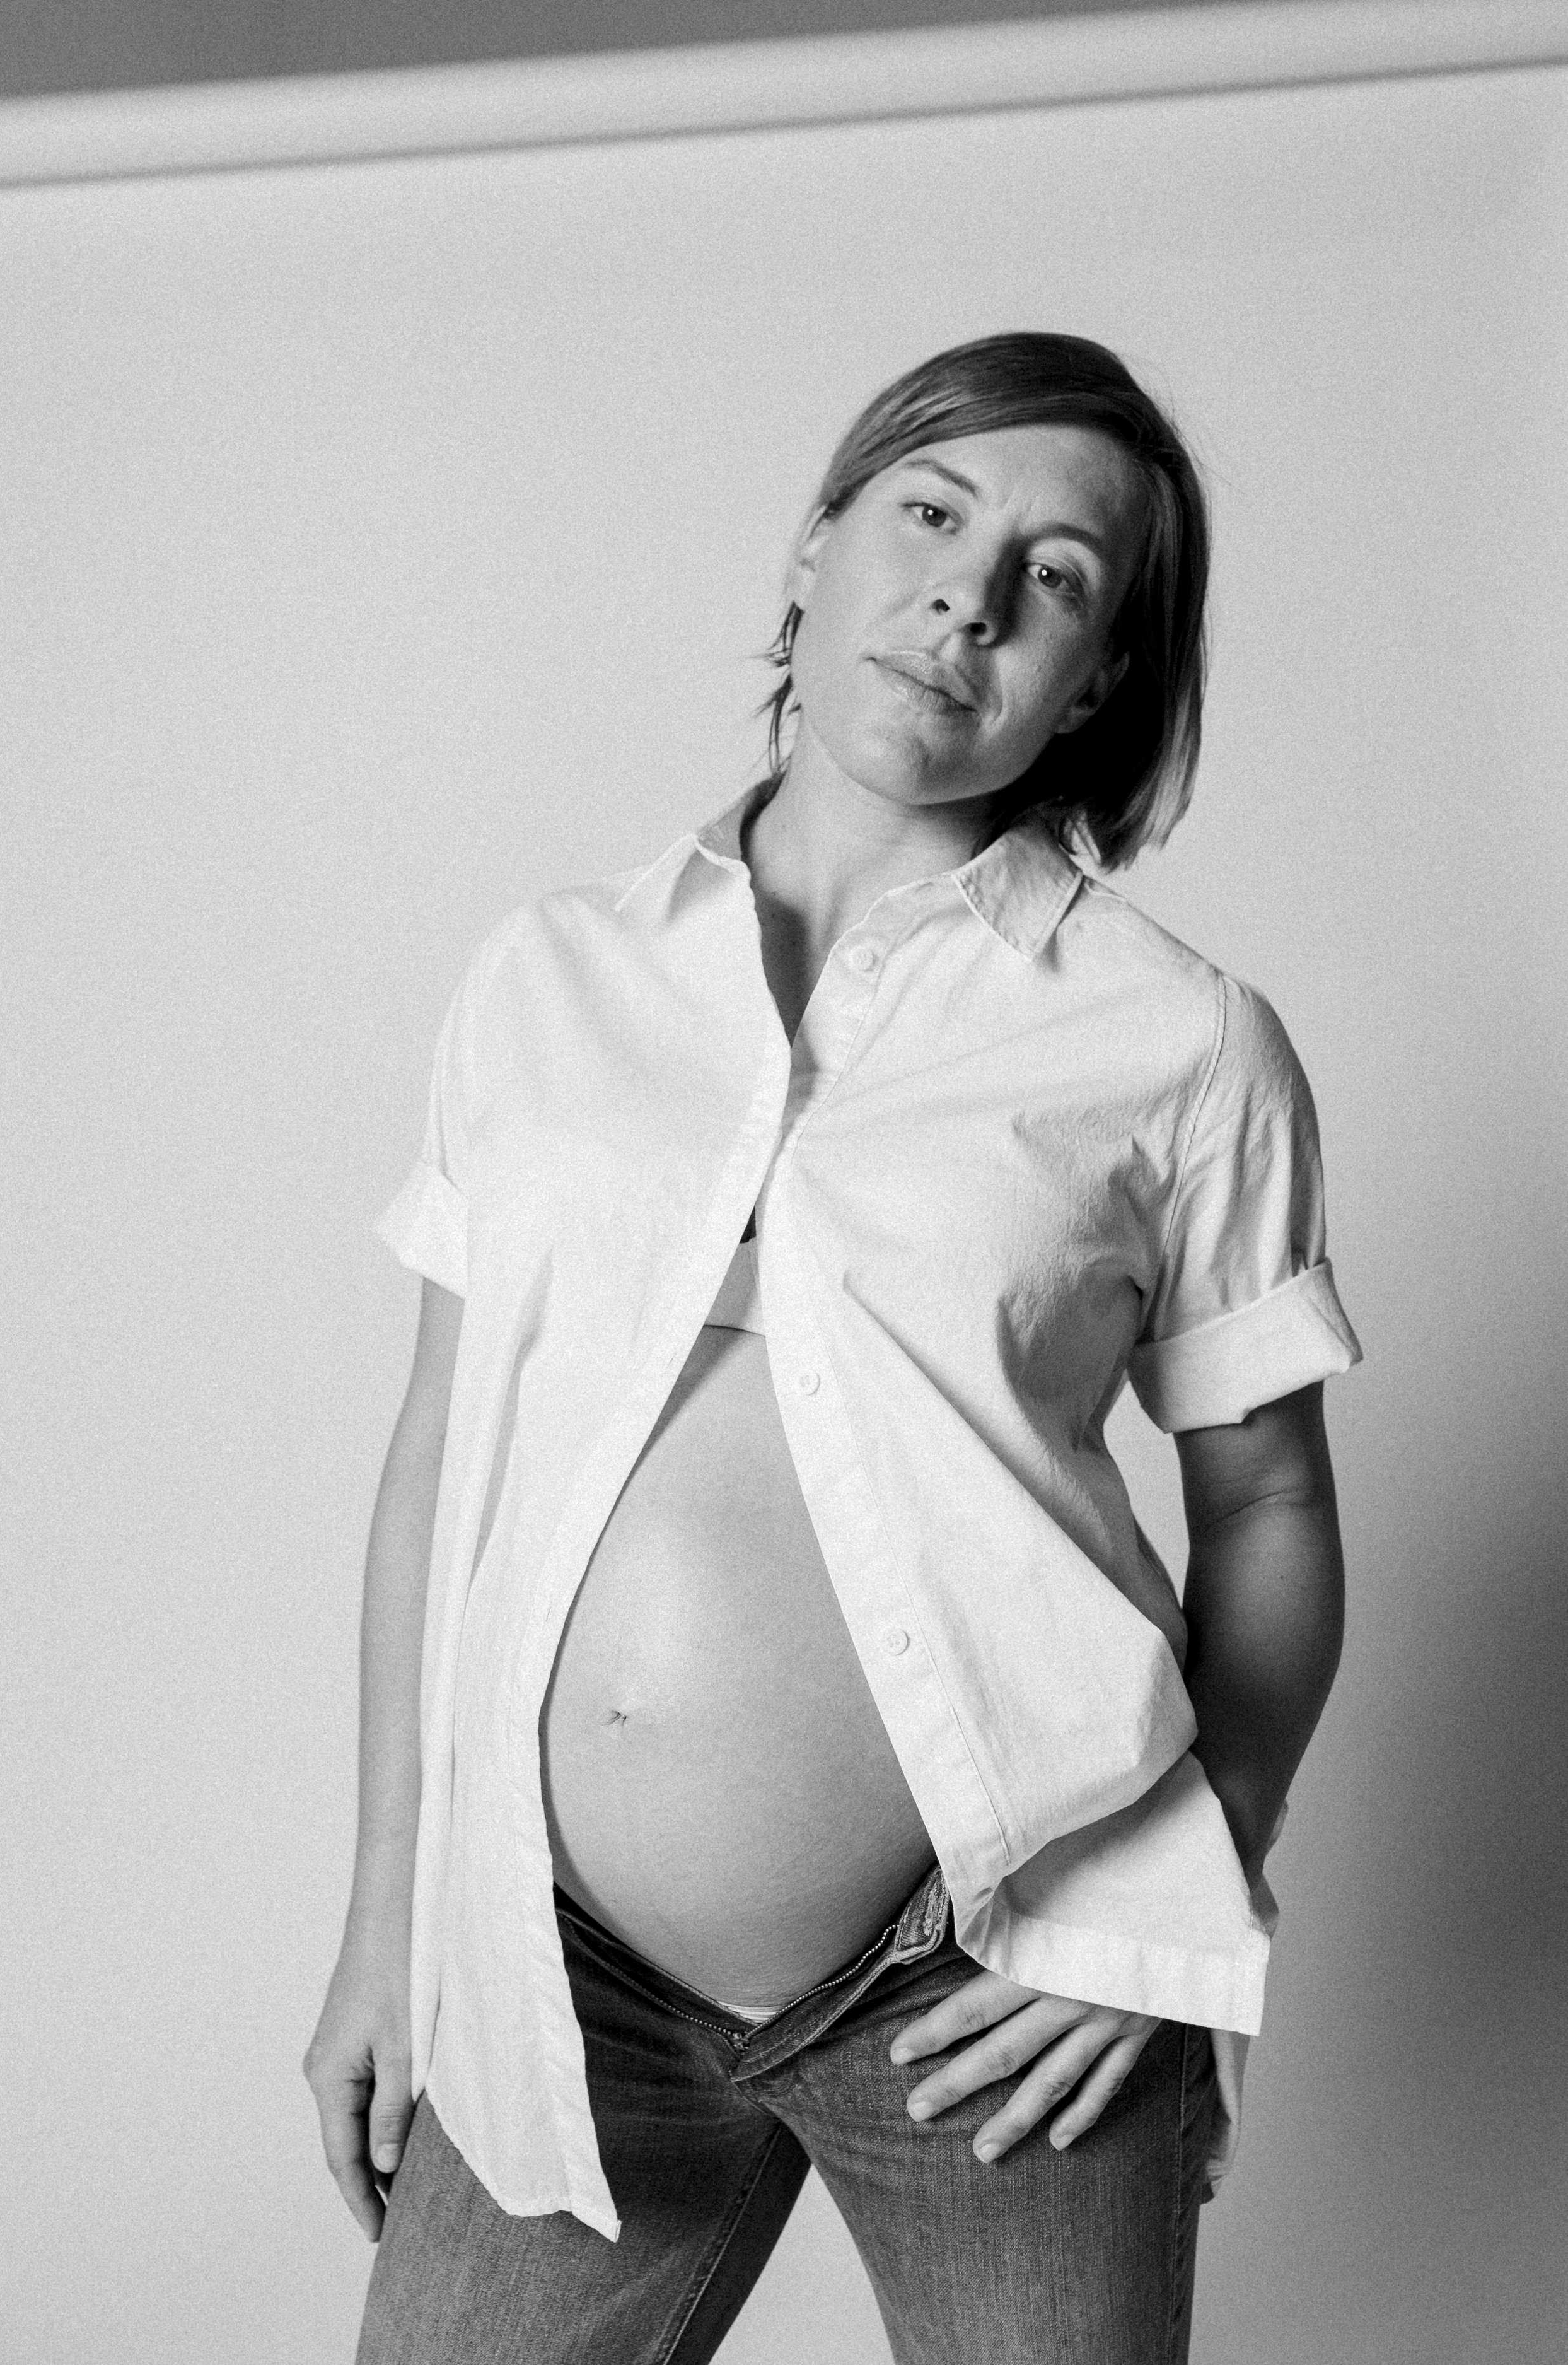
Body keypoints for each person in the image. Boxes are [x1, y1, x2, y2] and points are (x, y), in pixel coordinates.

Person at [305, 332, 1361, 2364]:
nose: (971, 593)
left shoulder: (1177, 1041)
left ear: (1100, 677)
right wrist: (388, 1924)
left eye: (1057, 576)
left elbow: (1272, 1499)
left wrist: (1185, 1903)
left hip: (997, 1980)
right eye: (933, 515)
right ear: (814, 554)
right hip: (557, 1977)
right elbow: (442, 1454)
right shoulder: (549, 975)